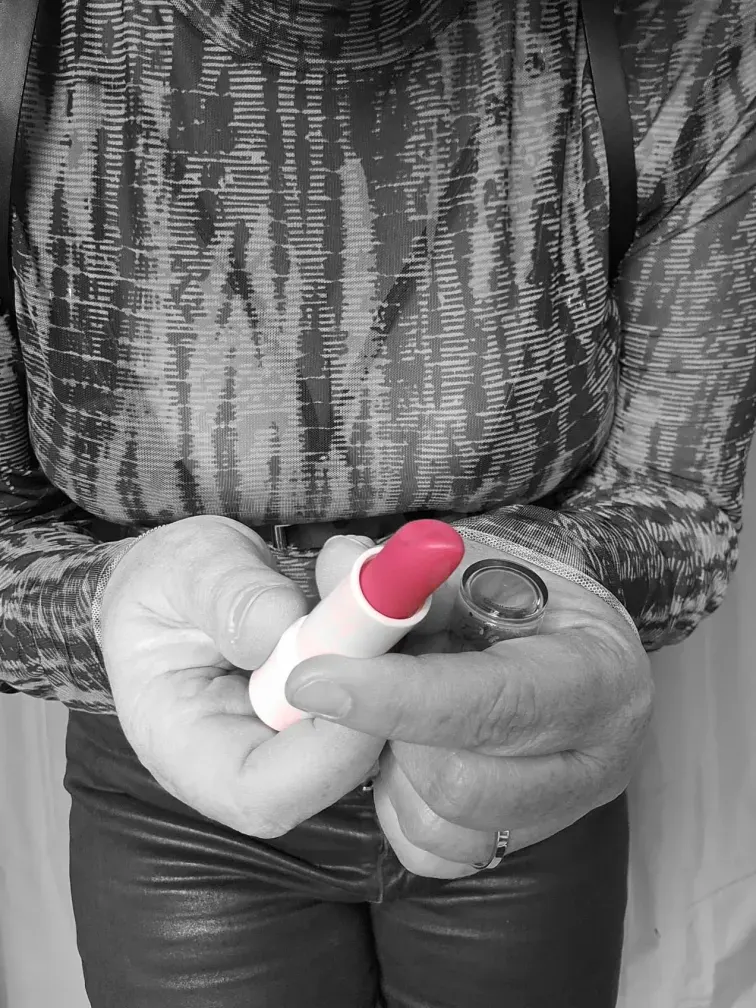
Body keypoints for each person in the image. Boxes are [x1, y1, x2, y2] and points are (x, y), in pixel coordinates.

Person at [1, 0, 755, 1005]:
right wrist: (111, 606)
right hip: (171, 795)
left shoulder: (680, 40)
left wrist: (539, 586)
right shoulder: (18, 59)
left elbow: (679, 503)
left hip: (517, 755)